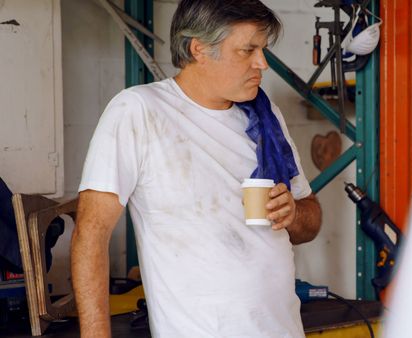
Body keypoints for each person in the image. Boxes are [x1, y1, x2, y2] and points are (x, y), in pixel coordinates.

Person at [70, 0, 322, 337]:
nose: (261, 63)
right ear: (199, 49)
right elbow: (91, 233)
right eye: (247, 50)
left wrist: (292, 213)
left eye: (262, 50)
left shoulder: (266, 117)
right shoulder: (139, 110)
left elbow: (311, 222)